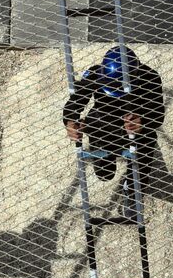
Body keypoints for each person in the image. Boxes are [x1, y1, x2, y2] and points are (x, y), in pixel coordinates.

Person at [61, 45, 166, 196]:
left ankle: (133, 191)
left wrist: (143, 121)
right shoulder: (95, 74)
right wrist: (70, 122)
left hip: (135, 128)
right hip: (105, 124)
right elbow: (74, 104)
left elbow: (158, 115)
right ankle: (106, 154)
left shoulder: (150, 77)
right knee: (105, 175)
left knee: (149, 138)